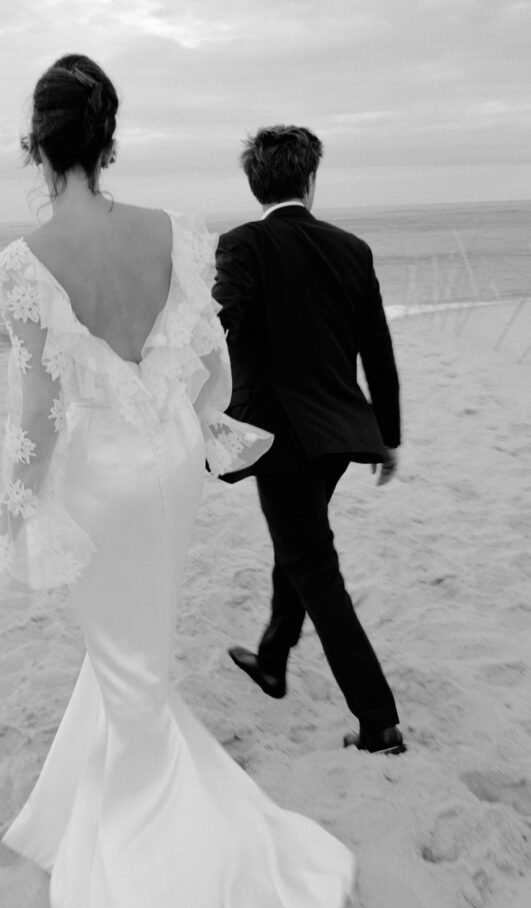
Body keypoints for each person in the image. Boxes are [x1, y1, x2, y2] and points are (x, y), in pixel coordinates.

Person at [0, 60, 354, 908]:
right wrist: (196, 428)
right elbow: (209, 363)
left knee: (126, 657)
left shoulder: (23, 262)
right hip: (166, 471)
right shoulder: (171, 232)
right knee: (134, 649)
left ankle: (164, 855)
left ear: (38, 147)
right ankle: (75, 808)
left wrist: (1, 518)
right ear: (107, 137)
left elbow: (38, 417)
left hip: (98, 482)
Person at [213, 125, 406, 756]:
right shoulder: (351, 248)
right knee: (299, 546)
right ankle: (272, 659)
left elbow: (221, 325)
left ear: (255, 184)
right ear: (310, 180)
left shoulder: (242, 244)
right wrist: (389, 435)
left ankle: (378, 721)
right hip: (338, 439)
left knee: (314, 567)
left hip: (277, 441)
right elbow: (377, 348)